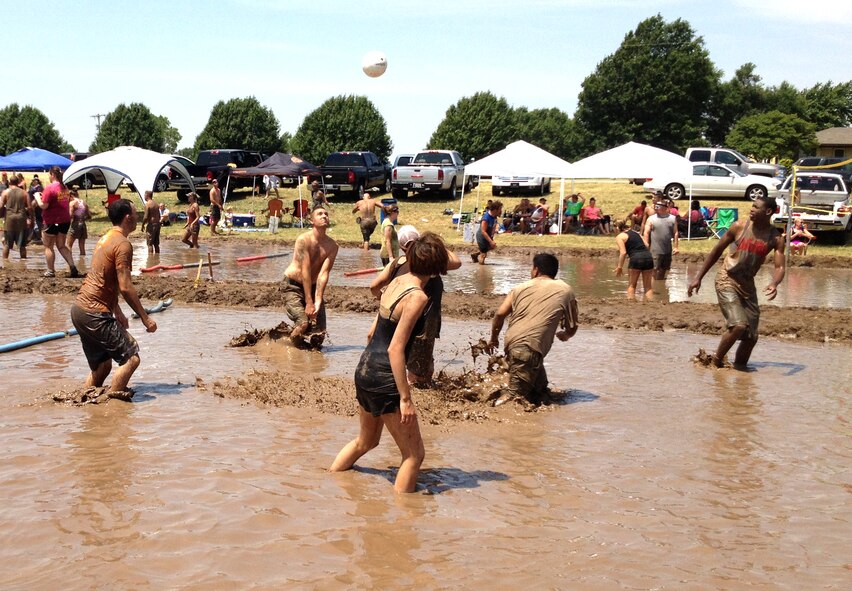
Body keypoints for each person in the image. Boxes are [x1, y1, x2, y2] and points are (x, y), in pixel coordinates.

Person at [329, 232, 450, 493]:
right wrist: (405, 399)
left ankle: (330, 480)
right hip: (385, 376)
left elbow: (376, 327)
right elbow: (396, 348)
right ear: (437, 267)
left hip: (365, 368)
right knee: (414, 455)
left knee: (366, 441)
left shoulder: (398, 279)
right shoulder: (417, 296)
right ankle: (402, 522)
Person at [70, 198, 157, 394]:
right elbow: (125, 286)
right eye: (136, 214)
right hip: (95, 313)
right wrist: (145, 318)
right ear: (128, 218)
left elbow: (105, 278)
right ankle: (111, 406)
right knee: (131, 357)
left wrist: (116, 310)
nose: (138, 217)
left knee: (102, 366)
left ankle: (87, 403)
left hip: (80, 310)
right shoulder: (123, 244)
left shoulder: (106, 238)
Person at [687, 197, 785, 369]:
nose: (752, 209)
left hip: (747, 285)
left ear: (768, 212)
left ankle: (740, 369)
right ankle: (715, 362)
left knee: (751, 336)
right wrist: (698, 277)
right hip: (727, 278)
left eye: (756, 207)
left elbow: (780, 267)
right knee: (739, 325)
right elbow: (716, 251)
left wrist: (774, 283)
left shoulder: (775, 238)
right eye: (752, 206)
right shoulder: (739, 227)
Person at [370, 225, 461, 383]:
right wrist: (436, 246)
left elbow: (374, 286)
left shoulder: (397, 263)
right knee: (419, 373)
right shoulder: (430, 265)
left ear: (401, 246)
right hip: (424, 323)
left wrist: (383, 297)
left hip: (396, 317)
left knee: (394, 357)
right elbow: (457, 261)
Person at [487, 253, 579, 407]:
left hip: (515, 346)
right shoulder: (565, 290)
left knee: (540, 391)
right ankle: (493, 414)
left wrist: (494, 338)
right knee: (514, 397)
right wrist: (565, 335)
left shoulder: (519, 288)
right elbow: (573, 326)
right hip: (529, 350)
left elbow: (499, 314)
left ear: (536, 270)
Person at [281, 206, 339, 347]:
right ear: (312, 220)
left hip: (312, 287)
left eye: (326, 213)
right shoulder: (304, 240)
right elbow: (305, 270)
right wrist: (309, 302)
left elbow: (323, 273)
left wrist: (317, 300)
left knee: (320, 335)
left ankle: (312, 359)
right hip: (292, 285)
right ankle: (286, 349)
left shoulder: (332, 246)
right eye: (320, 214)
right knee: (303, 323)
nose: (324, 216)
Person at [34, 166, 80, 278]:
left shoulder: (50, 188)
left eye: (49, 175)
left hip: (51, 220)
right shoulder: (64, 187)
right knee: (61, 245)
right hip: (65, 220)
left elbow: (44, 205)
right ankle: (72, 266)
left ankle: (50, 270)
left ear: (52, 175)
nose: (49, 177)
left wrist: (37, 197)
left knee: (48, 246)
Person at [614, 219, 654, 300]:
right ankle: (651, 303)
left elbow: (623, 253)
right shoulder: (635, 233)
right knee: (648, 286)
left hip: (636, 258)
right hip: (648, 257)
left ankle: (631, 304)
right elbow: (646, 244)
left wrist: (619, 267)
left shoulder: (620, 237)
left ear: (617, 228)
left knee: (632, 285)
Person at [643, 199, 678, 280]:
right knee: (653, 270)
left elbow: (675, 232)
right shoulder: (651, 219)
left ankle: (660, 286)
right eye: (655, 206)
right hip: (655, 250)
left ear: (665, 207)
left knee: (663, 270)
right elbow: (646, 232)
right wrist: (646, 244)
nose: (655, 207)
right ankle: (652, 289)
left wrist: (676, 247)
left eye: (658, 206)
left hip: (667, 250)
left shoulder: (672, 218)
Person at [1, 175, 33, 260]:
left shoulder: (5, 192)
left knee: (7, 245)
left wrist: (1, 216)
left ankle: (5, 263)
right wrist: (32, 220)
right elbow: (30, 207)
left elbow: (0, 206)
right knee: (22, 246)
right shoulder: (24, 193)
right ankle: (23, 263)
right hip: (21, 220)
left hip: (9, 220)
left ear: (10, 182)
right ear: (18, 182)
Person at [473, 200, 502, 264]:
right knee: (483, 255)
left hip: (488, 235)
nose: (501, 211)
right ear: (495, 210)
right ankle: (481, 271)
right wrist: (490, 241)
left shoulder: (494, 216)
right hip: (482, 236)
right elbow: (483, 231)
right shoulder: (486, 218)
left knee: (492, 246)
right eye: (500, 210)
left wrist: (491, 238)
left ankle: (475, 255)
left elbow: (493, 227)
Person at [27, 174, 44, 243]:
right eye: (33, 180)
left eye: (35, 180)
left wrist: (35, 203)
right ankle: (34, 237)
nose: (34, 181)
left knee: (37, 221)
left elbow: (39, 196)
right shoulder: (32, 187)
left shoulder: (39, 188)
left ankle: (38, 237)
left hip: (37, 206)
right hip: (31, 205)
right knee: (33, 221)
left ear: (37, 181)